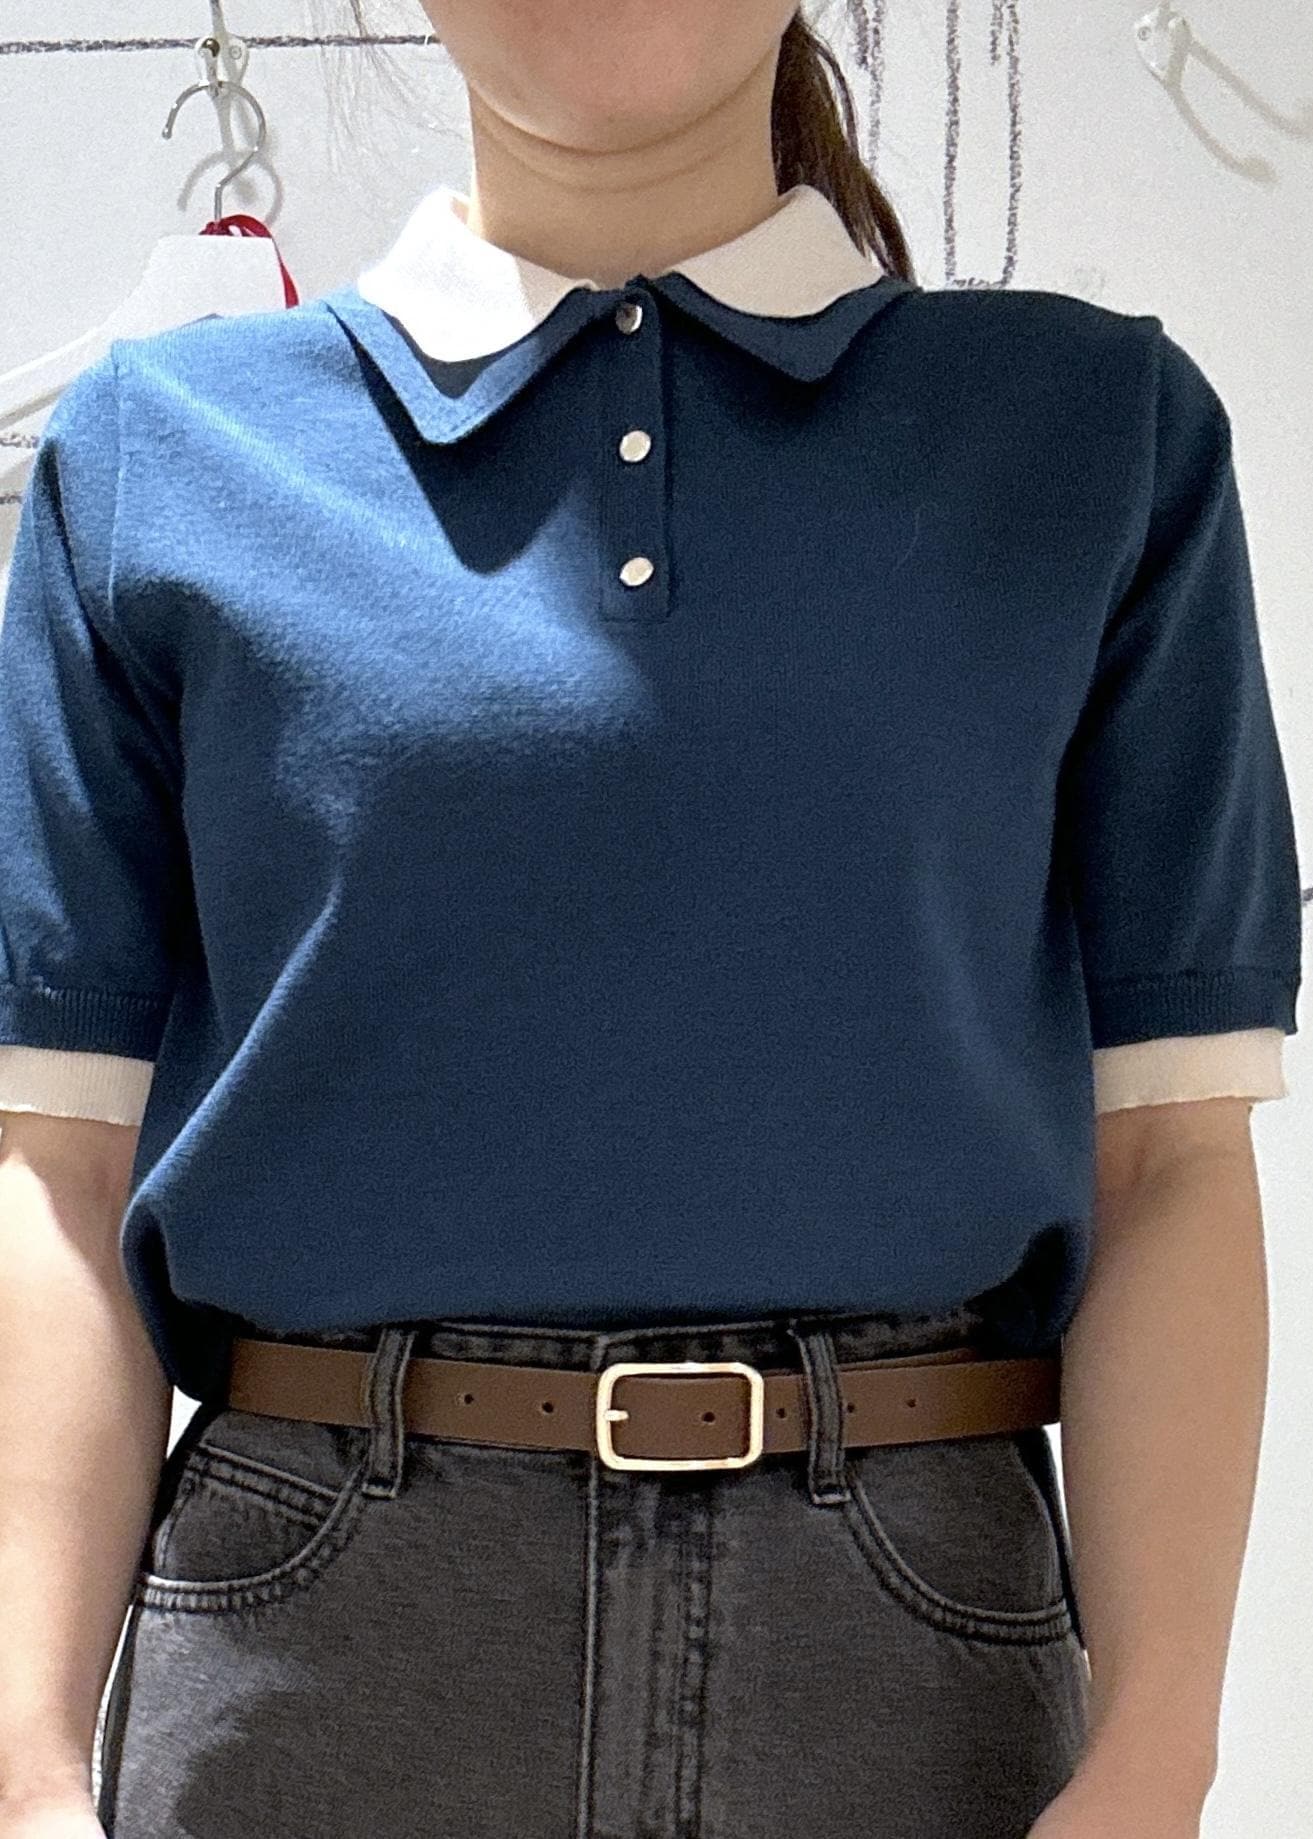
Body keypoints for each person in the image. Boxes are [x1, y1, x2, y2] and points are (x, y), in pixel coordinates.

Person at [0, 5, 1302, 1837]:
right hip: (318, 1650)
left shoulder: (1095, 437)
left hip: (909, 1648)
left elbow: (1171, 1156)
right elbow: (56, 1169)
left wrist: (1157, 1761)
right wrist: (26, 1774)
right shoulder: (161, 453)